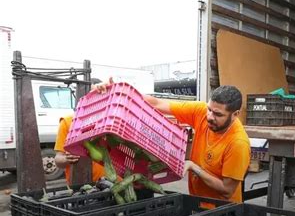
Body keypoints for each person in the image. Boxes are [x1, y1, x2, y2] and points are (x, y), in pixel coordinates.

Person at [93, 83, 251, 204]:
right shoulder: (201, 112)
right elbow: (156, 104)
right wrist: (116, 91)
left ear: (235, 114)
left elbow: (227, 190)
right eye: (209, 109)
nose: (210, 116)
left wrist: (193, 166)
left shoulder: (238, 143)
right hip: (197, 202)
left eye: (218, 114)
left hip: (224, 210)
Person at [54, 114, 105, 184]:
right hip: (80, 186)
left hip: (113, 182)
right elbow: (58, 159)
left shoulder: (108, 118)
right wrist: (66, 159)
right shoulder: (68, 122)